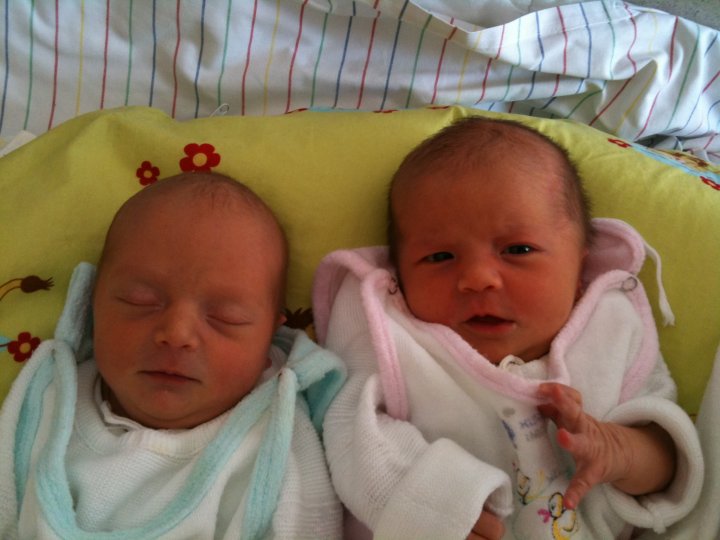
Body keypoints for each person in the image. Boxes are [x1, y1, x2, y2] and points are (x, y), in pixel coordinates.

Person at [312, 117, 703, 539]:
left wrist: (620, 451)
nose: (477, 278)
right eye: (440, 257)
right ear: (400, 273)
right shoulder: (392, 334)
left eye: (518, 249)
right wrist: (429, 509)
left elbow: (668, 459)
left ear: (580, 268)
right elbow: (350, 430)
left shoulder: (609, 328)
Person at [0, 172, 345, 539]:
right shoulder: (48, 404)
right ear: (92, 303)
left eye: (226, 317)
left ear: (268, 337)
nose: (177, 334)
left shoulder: (275, 440)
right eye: (140, 301)